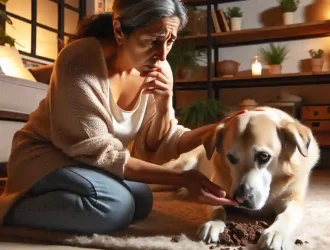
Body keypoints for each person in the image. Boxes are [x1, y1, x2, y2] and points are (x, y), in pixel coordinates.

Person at [1, 0, 237, 234]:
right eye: (152, 41)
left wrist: (218, 126)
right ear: (119, 31)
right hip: (45, 157)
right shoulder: (80, 61)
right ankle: (9, 207)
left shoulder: (158, 69)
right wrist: (183, 178)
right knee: (116, 206)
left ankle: (63, 195)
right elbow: (101, 152)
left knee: (142, 199)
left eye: (170, 40)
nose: (163, 55)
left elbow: (163, 142)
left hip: (88, 164)